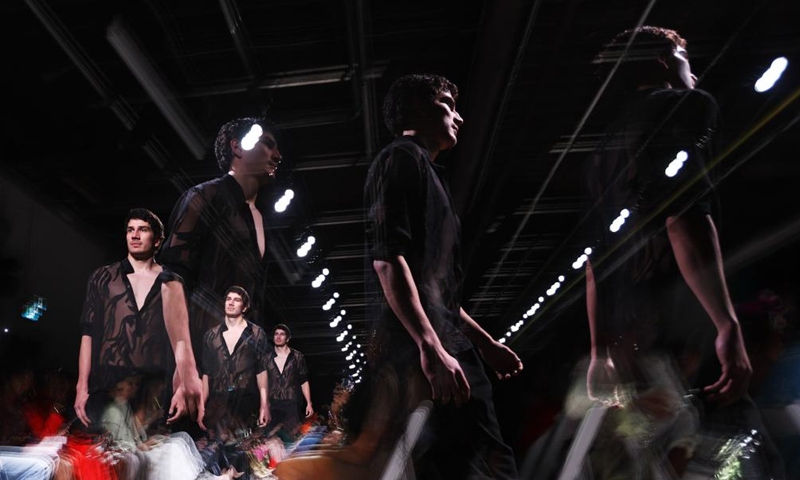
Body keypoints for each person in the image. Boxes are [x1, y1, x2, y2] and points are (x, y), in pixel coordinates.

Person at [582, 26, 784, 478]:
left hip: (632, 336)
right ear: (662, 61)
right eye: (681, 56)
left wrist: (599, 350)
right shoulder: (687, 106)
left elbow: (596, 261)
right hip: (680, 323)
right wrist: (726, 324)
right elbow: (685, 219)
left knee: (669, 460)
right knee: (738, 455)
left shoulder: (600, 151)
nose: (691, 68)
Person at [361, 73, 523, 479]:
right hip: (426, 351)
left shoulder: (427, 171)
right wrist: (430, 348)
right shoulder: (400, 158)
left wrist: (484, 343)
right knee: (472, 464)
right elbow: (387, 261)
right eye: (448, 104)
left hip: (444, 346)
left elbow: (439, 293)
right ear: (418, 108)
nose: (459, 117)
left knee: (480, 461)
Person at [159, 117, 282, 367]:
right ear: (237, 147)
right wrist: (184, 361)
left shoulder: (262, 221)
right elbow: (172, 280)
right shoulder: (205, 196)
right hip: (198, 357)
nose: (277, 156)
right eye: (268, 144)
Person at [74, 208, 202, 429]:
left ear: (157, 240)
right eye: (130, 230)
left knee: (149, 447)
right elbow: (88, 333)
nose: (134, 235)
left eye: (142, 230)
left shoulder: (171, 282)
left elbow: (181, 340)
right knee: (107, 445)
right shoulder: (103, 277)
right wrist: (81, 386)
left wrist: (181, 385)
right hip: (109, 380)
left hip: (153, 384)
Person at [200, 286, 270, 436]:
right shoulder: (211, 335)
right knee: (217, 444)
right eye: (228, 299)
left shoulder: (257, 334)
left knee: (246, 443)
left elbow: (262, 371)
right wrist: (201, 404)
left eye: (236, 300)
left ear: (244, 307)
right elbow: (206, 373)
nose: (231, 303)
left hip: (246, 401)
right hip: (218, 401)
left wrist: (264, 404)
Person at [265, 323, 313, 437]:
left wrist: (309, 403)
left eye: (282, 334)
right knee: (272, 436)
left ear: (288, 338)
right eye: (276, 334)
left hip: (292, 402)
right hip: (273, 402)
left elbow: (304, 380)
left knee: (293, 434)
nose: (278, 336)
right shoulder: (266, 358)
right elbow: (262, 381)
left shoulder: (297, 357)